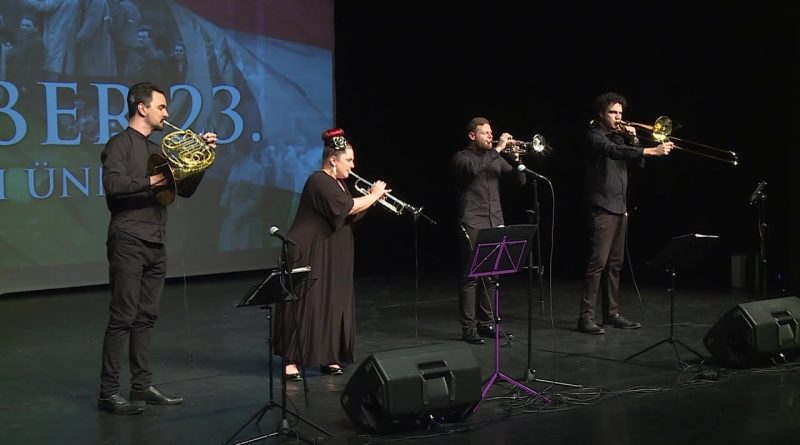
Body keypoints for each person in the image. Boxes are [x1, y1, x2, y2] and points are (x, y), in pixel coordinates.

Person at [98, 82, 218, 415]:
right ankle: (108, 393)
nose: (166, 114)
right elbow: (113, 185)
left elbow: (185, 190)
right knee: (123, 316)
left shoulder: (156, 149)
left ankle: (141, 386)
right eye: (162, 107)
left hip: (156, 240)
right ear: (142, 108)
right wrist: (156, 179)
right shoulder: (119, 144)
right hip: (128, 239)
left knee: (146, 317)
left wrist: (202, 162)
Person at [274, 128, 388, 380]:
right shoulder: (319, 180)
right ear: (333, 160)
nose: (353, 165)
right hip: (310, 249)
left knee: (333, 301)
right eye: (349, 160)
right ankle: (291, 360)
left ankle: (328, 356)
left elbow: (347, 214)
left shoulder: (339, 183)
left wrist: (372, 200)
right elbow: (346, 208)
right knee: (306, 303)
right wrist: (373, 196)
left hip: (332, 250)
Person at [578, 92, 673, 335]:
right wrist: (651, 151)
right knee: (597, 264)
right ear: (602, 113)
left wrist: (634, 140)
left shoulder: (619, 138)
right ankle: (586, 317)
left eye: (620, 113)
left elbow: (637, 164)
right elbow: (612, 151)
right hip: (602, 207)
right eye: (613, 112)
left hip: (620, 206)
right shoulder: (594, 135)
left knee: (615, 265)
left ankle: (611, 313)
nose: (618, 117)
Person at [451, 117, 526, 344]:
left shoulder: (495, 158)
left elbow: (519, 181)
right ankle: (468, 328)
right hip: (473, 220)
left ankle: (486, 324)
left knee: (492, 276)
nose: (490, 136)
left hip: (495, 221)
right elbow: (474, 169)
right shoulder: (462, 157)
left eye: (491, 133)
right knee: (472, 276)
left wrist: (517, 159)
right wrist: (499, 148)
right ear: (472, 135)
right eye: (485, 133)